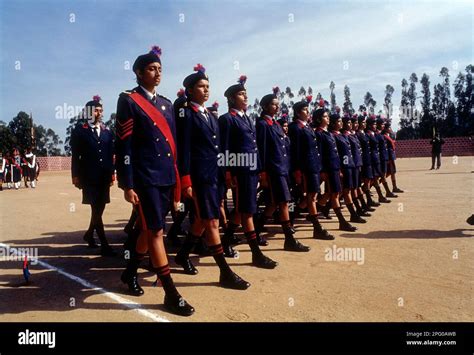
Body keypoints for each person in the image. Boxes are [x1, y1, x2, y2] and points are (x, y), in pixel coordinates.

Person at [116, 46, 195, 316]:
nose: (158, 73)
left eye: (160, 69)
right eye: (152, 68)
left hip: (165, 176)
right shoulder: (128, 100)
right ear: (139, 72)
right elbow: (123, 145)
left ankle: (129, 272)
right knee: (157, 233)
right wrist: (127, 184)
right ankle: (171, 293)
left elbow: (173, 147)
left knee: (150, 230)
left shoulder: (166, 104)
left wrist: (177, 180)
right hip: (145, 178)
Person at [174, 63, 251, 291]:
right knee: (212, 221)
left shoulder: (210, 115)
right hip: (200, 176)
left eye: (208, 86)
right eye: (201, 86)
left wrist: (226, 171)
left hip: (215, 174)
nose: (206, 90)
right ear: (189, 90)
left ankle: (183, 254)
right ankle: (225, 273)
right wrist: (186, 180)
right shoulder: (187, 114)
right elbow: (184, 149)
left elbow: (219, 148)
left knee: (200, 219)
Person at [219, 75, 278, 267]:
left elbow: (255, 147)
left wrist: (260, 170)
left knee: (242, 210)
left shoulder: (247, 118)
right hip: (240, 171)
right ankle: (256, 254)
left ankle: (226, 241)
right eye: (241, 94)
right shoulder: (227, 119)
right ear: (231, 98)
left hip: (252, 170)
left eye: (246, 94)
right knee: (247, 212)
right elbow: (224, 148)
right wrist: (228, 173)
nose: (245, 97)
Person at [256, 87, 310, 251]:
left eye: (278, 104)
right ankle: (289, 239)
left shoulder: (276, 125)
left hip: (283, 169)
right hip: (273, 170)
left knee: (273, 204)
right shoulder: (262, 124)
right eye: (273, 104)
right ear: (265, 106)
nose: (277, 107)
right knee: (284, 202)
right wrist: (263, 174)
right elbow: (262, 149)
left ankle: (256, 230)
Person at [71, 95, 116, 257]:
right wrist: (75, 175)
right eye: (95, 111)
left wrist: (112, 173)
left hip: (104, 176)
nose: (99, 113)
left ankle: (89, 234)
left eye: (100, 110)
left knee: (100, 208)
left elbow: (111, 154)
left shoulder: (107, 132)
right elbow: (76, 155)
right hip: (88, 176)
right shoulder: (79, 131)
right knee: (95, 208)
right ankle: (105, 245)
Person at [289, 96, 334, 240]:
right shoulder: (295, 127)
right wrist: (297, 170)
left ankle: (291, 217)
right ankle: (317, 228)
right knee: (311, 196)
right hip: (305, 167)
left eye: (308, 109)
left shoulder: (307, 127)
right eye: (304, 109)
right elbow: (295, 150)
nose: (307, 112)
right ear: (297, 113)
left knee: (310, 197)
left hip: (314, 166)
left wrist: (320, 167)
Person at [314, 107, 357, 232]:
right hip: (329, 168)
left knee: (336, 193)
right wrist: (322, 170)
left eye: (328, 116)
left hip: (335, 167)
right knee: (334, 194)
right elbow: (320, 154)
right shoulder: (319, 134)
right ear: (318, 119)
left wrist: (339, 168)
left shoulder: (327, 133)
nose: (327, 118)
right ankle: (342, 221)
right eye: (325, 117)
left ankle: (320, 207)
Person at [383, 122, 403, 193]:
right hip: (388, 156)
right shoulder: (384, 136)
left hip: (391, 156)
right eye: (388, 128)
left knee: (392, 172)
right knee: (387, 173)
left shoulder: (389, 135)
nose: (390, 129)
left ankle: (394, 187)